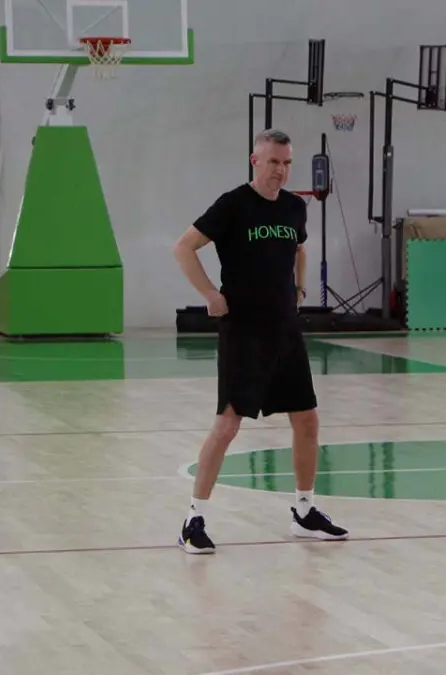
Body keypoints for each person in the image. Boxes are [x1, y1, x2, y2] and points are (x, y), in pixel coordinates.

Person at [171, 129, 349, 555]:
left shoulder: (293, 207)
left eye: (286, 163)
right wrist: (210, 294)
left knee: (307, 420)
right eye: (273, 162)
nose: (281, 171)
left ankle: (304, 512)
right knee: (228, 424)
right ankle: (193, 519)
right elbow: (184, 247)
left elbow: (300, 250)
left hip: (284, 329)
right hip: (244, 331)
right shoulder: (233, 204)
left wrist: (300, 289)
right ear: (255, 161)